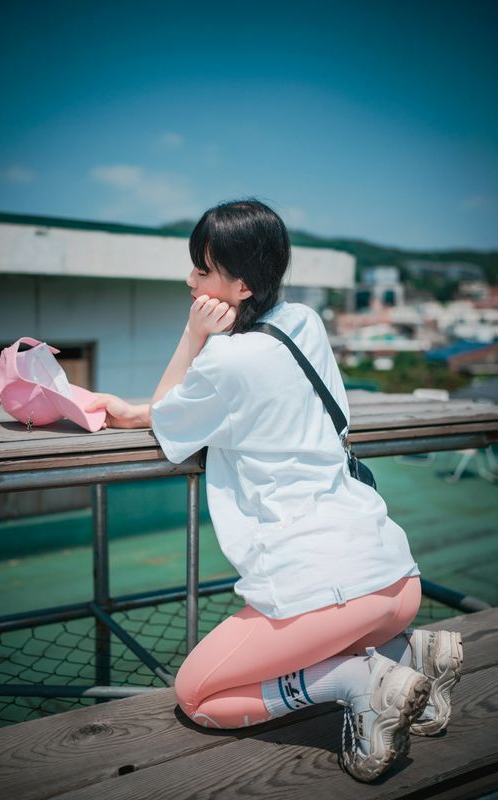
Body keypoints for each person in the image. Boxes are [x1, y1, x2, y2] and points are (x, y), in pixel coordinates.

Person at [86, 199, 463, 782]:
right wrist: (145, 410)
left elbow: (168, 423)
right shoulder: (303, 321)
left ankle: (357, 681)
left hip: (330, 591)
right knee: (295, 647)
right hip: (395, 577)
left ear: (240, 285)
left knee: (198, 695)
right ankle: (405, 652)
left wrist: (193, 336)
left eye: (203, 269)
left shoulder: (226, 359)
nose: (190, 280)